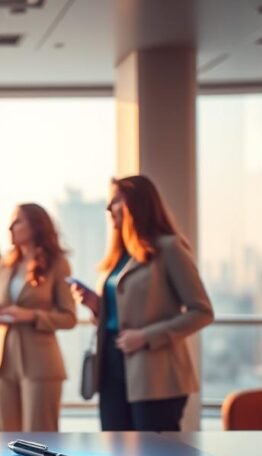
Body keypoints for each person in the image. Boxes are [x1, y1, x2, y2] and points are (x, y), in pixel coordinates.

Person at [70, 175, 214, 432]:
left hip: (156, 374)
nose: (107, 209)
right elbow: (119, 311)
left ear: (136, 205)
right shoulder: (117, 257)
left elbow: (202, 311)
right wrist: (97, 306)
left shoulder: (169, 249)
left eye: (115, 201)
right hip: (111, 367)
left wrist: (147, 336)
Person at [0, 204, 76, 432]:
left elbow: (69, 317)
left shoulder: (57, 264)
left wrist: (31, 315)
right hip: (3, 360)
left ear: (35, 226)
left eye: (17, 222)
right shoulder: (4, 264)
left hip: (41, 362)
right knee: (3, 435)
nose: (10, 227)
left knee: (40, 434)